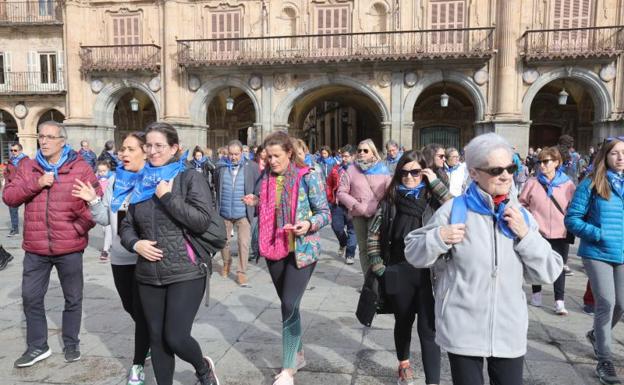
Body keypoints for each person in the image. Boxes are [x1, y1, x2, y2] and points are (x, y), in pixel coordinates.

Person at [404, 133, 563, 385]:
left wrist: (525, 236)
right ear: (475, 173)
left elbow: (549, 272)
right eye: (496, 169)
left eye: (511, 167)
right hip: (463, 327)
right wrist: (439, 237)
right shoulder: (454, 210)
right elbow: (413, 252)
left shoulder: (520, 215)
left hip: (508, 329)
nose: (506, 175)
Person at [119, 122, 219, 385]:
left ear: (175, 148)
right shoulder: (141, 181)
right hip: (148, 273)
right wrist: (134, 244)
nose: (152, 151)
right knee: (156, 336)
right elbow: (127, 226)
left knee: (175, 336)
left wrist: (167, 197)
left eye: (159, 145)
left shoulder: (189, 178)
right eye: (148, 145)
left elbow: (201, 221)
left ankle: (202, 368)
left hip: (185, 270)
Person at [3, 121, 101, 368]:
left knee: (73, 298)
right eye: (41, 137)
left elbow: (96, 204)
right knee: (30, 297)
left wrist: (77, 229)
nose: (43, 141)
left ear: (62, 141)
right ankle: (38, 346)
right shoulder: (28, 167)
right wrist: (35, 184)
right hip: (36, 248)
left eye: (49, 137)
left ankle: (71, 342)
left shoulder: (79, 168)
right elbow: (9, 197)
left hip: (70, 247)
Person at [242, 131, 330, 385]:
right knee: (288, 304)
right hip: (273, 247)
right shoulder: (266, 177)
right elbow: (273, 204)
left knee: (288, 304)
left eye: (276, 156)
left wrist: (308, 223)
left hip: (301, 250)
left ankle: (289, 368)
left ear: (289, 153)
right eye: (268, 156)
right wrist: (257, 200)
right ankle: (298, 354)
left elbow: (324, 212)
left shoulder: (308, 176)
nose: (271, 161)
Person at [72, 131, 150, 385]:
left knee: (141, 309)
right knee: (130, 308)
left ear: (145, 151)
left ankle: (138, 363)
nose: (122, 153)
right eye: (121, 149)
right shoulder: (115, 181)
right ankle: (151, 336)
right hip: (119, 256)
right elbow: (106, 218)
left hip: (145, 257)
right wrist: (93, 200)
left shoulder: (151, 180)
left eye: (129, 149)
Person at [368, 150, 452, 385]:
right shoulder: (389, 200)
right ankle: (403, 363)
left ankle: (432, 381)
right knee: (403, 322)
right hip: (399, 268)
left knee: (428, 329)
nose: (409, 177)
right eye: (404, 172)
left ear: (423, 172)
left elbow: (455, 206)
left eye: (416, 172)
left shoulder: (432, 199)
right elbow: (374, 234)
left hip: (429, 272)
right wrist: (378, 266)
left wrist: (434, 181)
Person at [565, 136, 624, 385]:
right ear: (605, 156)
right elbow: (572, 219)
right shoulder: (591, 183)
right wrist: (597, 233)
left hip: (621, 253)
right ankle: (604, 360)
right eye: (615, 153)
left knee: (621, 304)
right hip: (597, 252)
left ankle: (596, 335)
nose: (620, 158)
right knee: (606, 303)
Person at [519, 147, 576, 315]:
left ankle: (559, 301)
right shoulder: (532, 182)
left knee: (560, 266)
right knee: (536, 263)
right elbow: (522, 204)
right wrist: (530, 219)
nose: (542, 165)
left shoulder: (568, 184)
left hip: (561, 231)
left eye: (546, 161)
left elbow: (574, 207)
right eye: (540, 162)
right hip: (538, 231)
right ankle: (536, 294)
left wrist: (570, 222)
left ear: (556, 162)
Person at [337, 139, 391, 274]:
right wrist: (356, 205)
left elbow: (389, 192)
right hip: (359, 215)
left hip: (378, 215)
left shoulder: (383, 169)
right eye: (359, 150)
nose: (361, 153)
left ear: (373, 152)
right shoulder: (351, 169)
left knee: (377, 247)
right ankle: (368, 281)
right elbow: (341, 192)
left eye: (365, 150)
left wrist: (383, 207)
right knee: (363, 248)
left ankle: (380, 276)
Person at [214, 139, 260, 286]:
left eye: (236, 154)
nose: (233, 157)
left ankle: (241, 272)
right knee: (223, 242)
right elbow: (216, 185)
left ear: (242, 153)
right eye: (231, 154)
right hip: (224, 211)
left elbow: (258, 187)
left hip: (243, 212)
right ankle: (227, 262)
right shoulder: (220, 167)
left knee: (244, 243)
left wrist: (255, 198)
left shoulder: (252, 167)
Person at [326, 145, 357, 264]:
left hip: (353, 205)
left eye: (346, 156)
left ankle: (350, 254)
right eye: (342, 156)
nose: (343, 158)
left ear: (353, 156)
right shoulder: (336, 169)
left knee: (352, 230)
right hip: (338, 204)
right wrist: (330, 197)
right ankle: (343, 242)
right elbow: (329, 184)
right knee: (336, 227)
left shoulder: (358, 170)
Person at [3, 142, 28, 236]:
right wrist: (7, 186)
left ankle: (31, 229)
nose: (13, 152)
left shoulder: (26, 161)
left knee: (30, 208)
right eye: (11, 150)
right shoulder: (10, 161)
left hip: (25, 188)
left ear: (20, 150)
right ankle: (15, 229)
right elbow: (6, 174)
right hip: (13, 188)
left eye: (15, 150)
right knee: (12, 208)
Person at [96, 160, 114, 262]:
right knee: (104, 229)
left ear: (108, 170)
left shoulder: (112, 179)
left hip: (110, 206)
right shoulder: (96, 180)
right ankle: (109, 244)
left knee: (108, 228)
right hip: (101, 205)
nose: (102, 173)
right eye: (100, 171)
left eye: (104, 171)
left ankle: (105, 250)